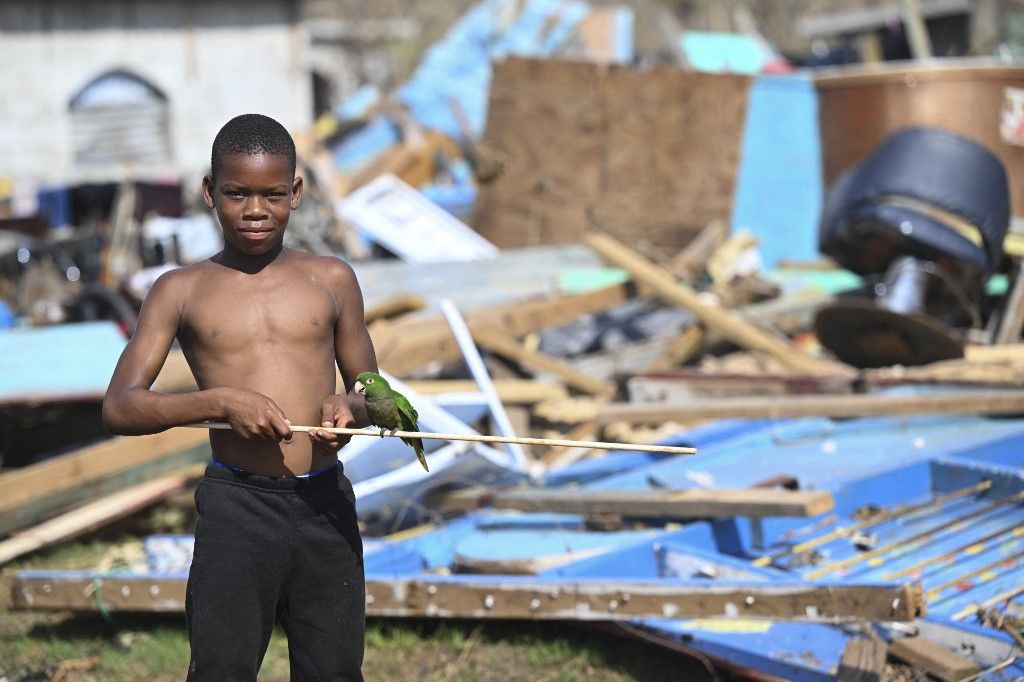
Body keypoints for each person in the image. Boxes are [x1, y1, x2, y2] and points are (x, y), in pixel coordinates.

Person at [102, 113, 375, 681]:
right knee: (221, 672)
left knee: (335, 672)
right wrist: (220, 404)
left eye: (273, 194)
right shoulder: (181, 289)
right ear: (210, 192)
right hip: (238, 509)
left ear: (296, 193)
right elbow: (122, 405)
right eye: (237, 194)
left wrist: (350, 409)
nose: (256, 210)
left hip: (325, 505)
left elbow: (372, 393)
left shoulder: (332, 278)